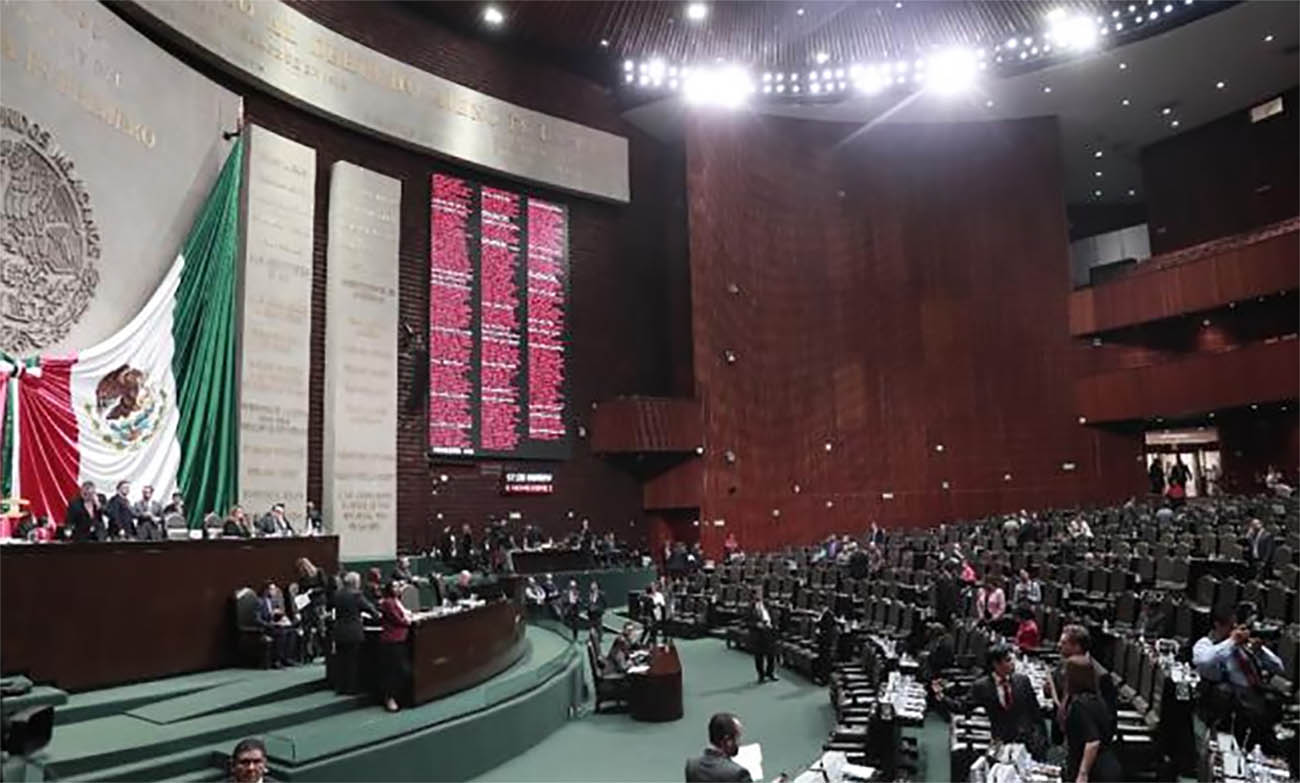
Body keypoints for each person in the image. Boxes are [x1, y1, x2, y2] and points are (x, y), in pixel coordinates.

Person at [1192, 604, 1284, 754]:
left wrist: (1260, 651)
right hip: (1233, 702)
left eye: (1235, 626)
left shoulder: (1244, 644)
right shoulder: (1205, 644)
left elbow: (1279, 667)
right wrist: (1231, 642)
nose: (1234, 630)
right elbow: (1204, 661)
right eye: (1230, 626)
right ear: (1217, 625)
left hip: (1257, 695)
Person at [933, 645, 1047, 758]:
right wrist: (941, 696)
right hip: (1000, 742)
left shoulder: (1023, 681)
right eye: (1008, 660)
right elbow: (962, 706)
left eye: (1013, 659)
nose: (1013, 663)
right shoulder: (982, 686)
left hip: (1027, 742)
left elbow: (1036, 713)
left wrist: (1043, 739)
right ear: (996, 664)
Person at [1062, 655, 1123, 783]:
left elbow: (1093, 742)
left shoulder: (1079, 704)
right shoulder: (1097, 699)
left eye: (1066, 672)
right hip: (1107, 765)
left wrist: (1083, 774)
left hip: (1094, 771)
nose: (1063, 675)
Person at [1048, 625, 1117, 720]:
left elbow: (1109, 718)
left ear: (1077, 647)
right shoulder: (1062, 664)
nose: (1058, 645)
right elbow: (1053, 691)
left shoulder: (1100, 675)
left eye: (1064, 643)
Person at [331, 572, 377, 695]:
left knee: (341, 660)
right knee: (352, 661)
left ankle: (340, 688)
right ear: (356, 582)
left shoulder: (337, 594)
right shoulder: (356, 595)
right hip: (353, 631)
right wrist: (376, 614)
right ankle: (351, 688)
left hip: (339, 630)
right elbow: (370, 609)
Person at [685, 712, 752, 782]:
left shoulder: (692, 766)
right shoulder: (739, 774)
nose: (740, 743)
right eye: (738, 737)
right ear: (728, 741)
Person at [377, 581, 412, 712]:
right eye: (395, 586)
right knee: (394, 670)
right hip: (392, 641)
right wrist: (408, 620)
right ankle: (390, 698)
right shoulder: (388, 602)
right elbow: (398, 620)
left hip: (401, 639)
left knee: (401, 669)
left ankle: (399, 698)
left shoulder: (397, 601)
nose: (398, 588)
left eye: (399, 586)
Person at [256, 582, 294, 668]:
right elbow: (257, 619)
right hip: (265, 628)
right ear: (266, 590)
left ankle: (286, 658)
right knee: (281, 633)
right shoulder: (260, 602)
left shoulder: (274, 601)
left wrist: (282, 618)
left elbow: (280, 614)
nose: (275, 591)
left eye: (275, 589)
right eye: (272, 589)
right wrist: (270, 624)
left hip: (276, 625)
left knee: (291, 632)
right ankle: (277, 660)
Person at [750, 592, 777, 684]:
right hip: (758, 636)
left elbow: (773, 617)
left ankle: (770, 673)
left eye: (759, 595)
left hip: (769, 634)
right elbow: (747, 621)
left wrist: (772, 625)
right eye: (756, 596)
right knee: (759, 657)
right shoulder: (751, 608)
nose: (758, 597)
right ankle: (761, 676)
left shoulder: (768, 605)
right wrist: (756, 624)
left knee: (771, 656)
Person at [586, 581, 607, 646]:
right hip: (591, 613)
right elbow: (588, 602)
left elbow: (604, 603)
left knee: (598, 626)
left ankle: (599, 639)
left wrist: (602, 610)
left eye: (593, 585)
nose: (592, 586)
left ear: (596, 586)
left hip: (598, 613)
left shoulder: (601, 594)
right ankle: (591, 639)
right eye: (591, 585)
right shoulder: (589, 594)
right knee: (591, 626)